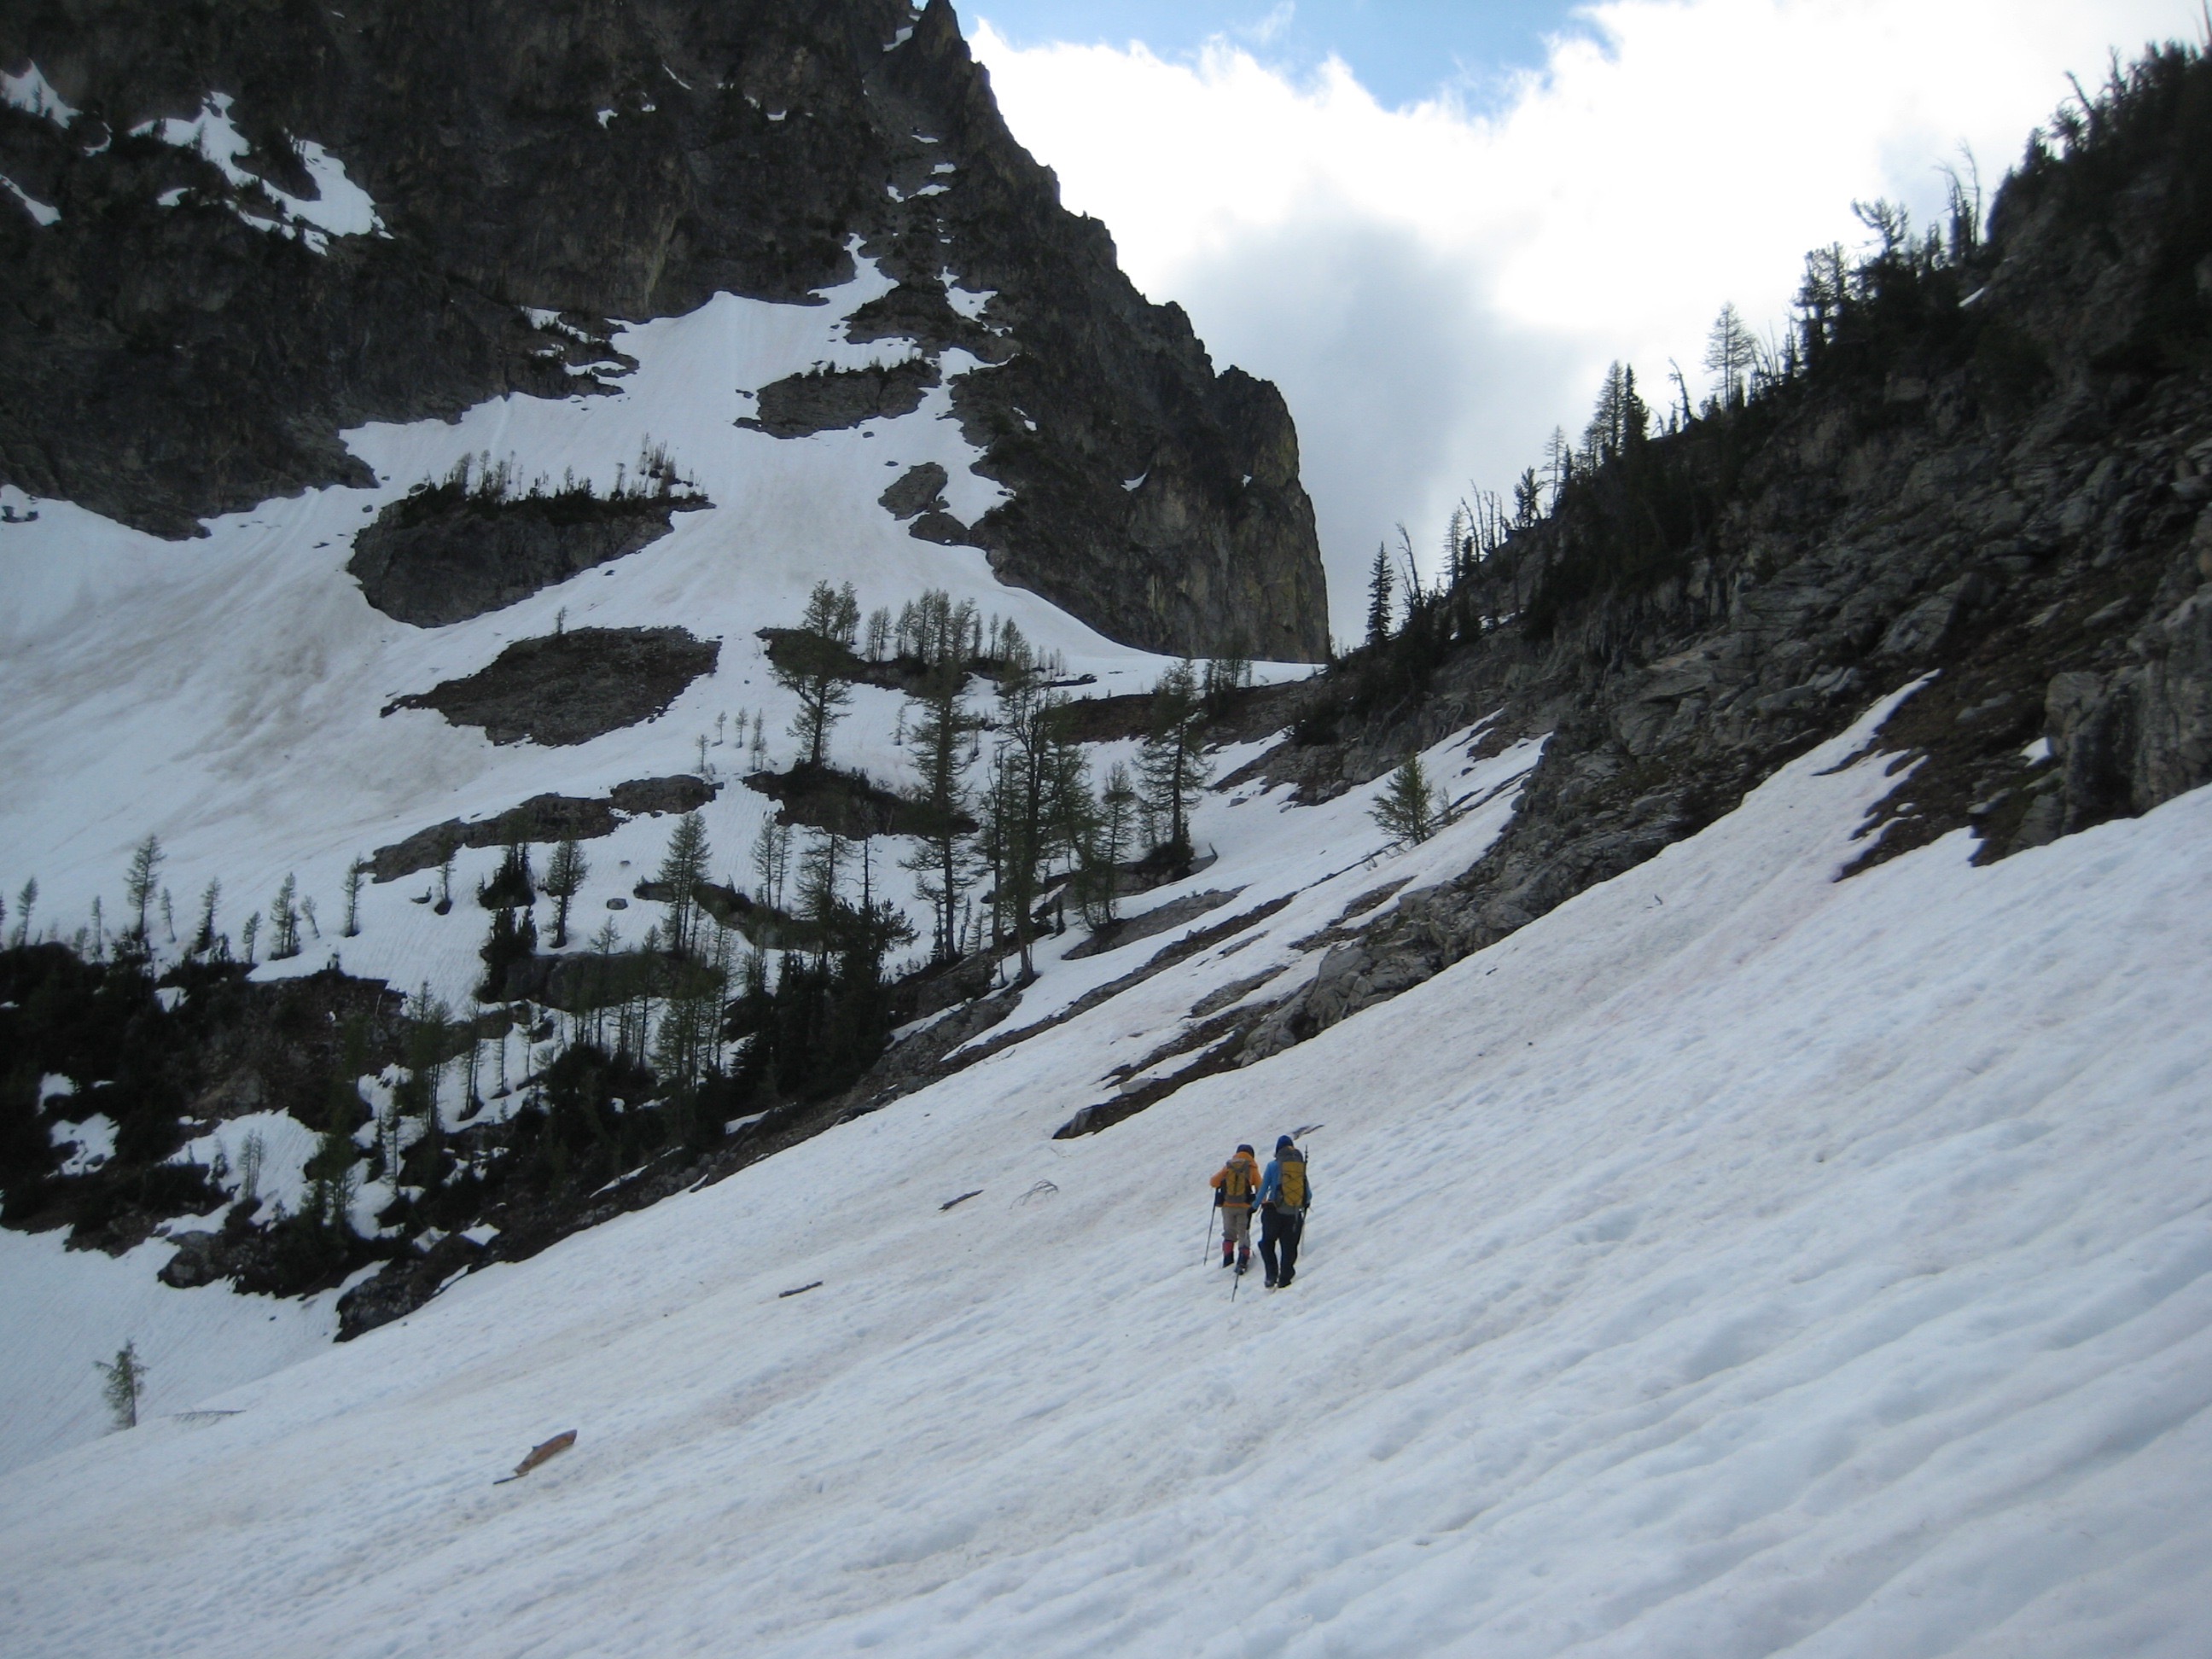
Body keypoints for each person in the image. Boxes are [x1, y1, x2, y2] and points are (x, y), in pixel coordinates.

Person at [1257, 1134, 1312, 1289]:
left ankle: (1271, 1275)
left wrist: (1253, 1207)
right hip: (1294, 1214)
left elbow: (1262, 1190)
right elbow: (1308, 1194)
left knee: (1267, 1243)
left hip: (1274, 1212)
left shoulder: (1273, 1166)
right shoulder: (1299, 1167)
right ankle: (1285, 1278)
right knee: (1289, 1247)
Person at [1209, 1144, 1260, 1272]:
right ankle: (1242, 1261)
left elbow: (1214, 1182)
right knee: (1243, 1233)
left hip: (1228, 1206)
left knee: (1229, 1232)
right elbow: (1260, 1186)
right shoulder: (1251, 1167)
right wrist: (1258, 1203)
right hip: (1244, 1206)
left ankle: (1228, 1259)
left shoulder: (1229, 1166)